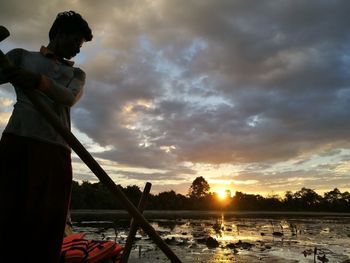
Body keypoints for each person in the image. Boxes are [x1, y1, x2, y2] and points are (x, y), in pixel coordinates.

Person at [0, 11, 92, 262]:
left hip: (55, 147)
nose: (78, 49)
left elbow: (68, 98)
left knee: (49, 220)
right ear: (60, 33)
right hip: (17, 140)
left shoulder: (77, 74)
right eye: (76, 42)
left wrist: (37, 81)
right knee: (7, 211)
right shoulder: (20, 57)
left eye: (80, 45)